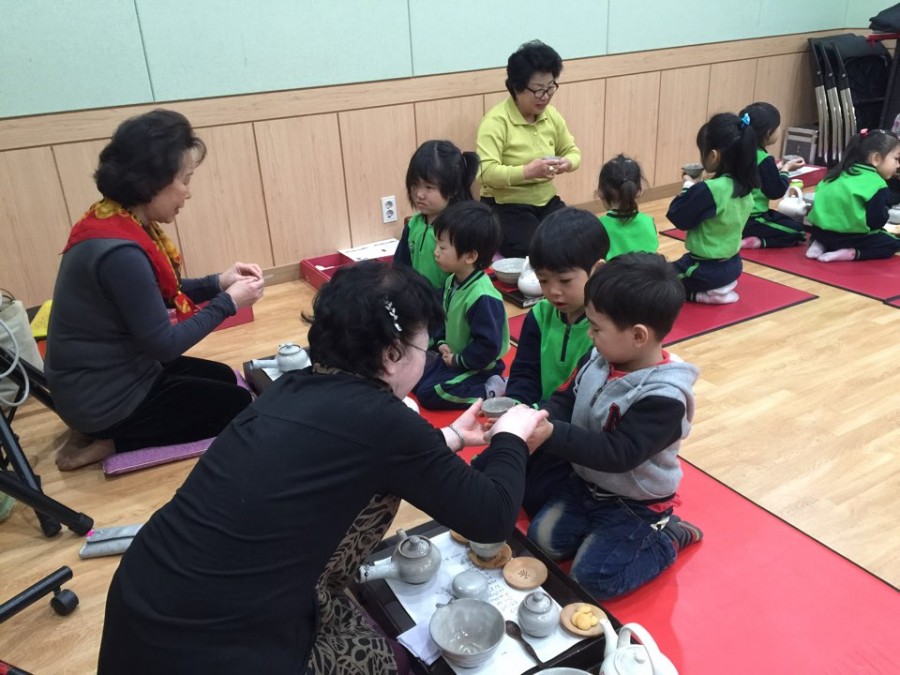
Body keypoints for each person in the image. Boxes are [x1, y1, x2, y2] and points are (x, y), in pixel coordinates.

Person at [97, 260, 551, 674]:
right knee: (388, 663)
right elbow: (492, 516)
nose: (426, 358)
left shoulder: (291, 386)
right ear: (392, 354)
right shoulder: (383, 421)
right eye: (424, 347)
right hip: (217, 648)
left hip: (144, 600)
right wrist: (511, 436)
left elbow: (369, 453)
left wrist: (450, 436)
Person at [45, 109, 265, 471]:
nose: (188, 193)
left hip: (102, 380)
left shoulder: (113, 220)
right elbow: (164, 344)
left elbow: (160, 293)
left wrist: (218, 282)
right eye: (185, 180)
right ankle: (111, 441)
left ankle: (96, 430)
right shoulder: (121, 253)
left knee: (226, 379)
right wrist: (228, 302)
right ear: (153, 182)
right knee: (235, 406)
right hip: (104, 398)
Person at [527, 252, 702, 600]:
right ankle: (601, 533)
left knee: (591, 581)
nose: (589, 335)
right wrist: (539, 418)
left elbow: (618, 454)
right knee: (541, 542)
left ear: (638, 336)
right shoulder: (599, 357)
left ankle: (667, 537)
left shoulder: (665, 397)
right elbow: (565, 398)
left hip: (634, 503)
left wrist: (553, 434)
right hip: (585, 485)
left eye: (596, 328)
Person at [501, 208, 610, 517]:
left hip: (579, 435)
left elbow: (587, 399)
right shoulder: (540, 314)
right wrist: (516, 408)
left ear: (596, 271)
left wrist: (537, 421)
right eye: (543, 280)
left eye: (564, 280)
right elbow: (525, 372)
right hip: (541, 420)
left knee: (535, 495)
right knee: (490, 467)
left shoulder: (606, 330)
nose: (552, 291)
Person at [477, 40, 581, 257]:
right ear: (517, 87)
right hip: (506, 205)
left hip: (546, 201)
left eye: (550, 88)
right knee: (534, 250)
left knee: (576, 240)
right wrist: (527, 172)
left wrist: (567, 163)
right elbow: (485, 173)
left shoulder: (551, 116)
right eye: (538, 90)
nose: (545, 96)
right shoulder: (496, 121)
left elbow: (572, 151)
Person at [413, 201, 509, 409]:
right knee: (413, 376)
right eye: (437, 244)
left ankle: (491, 389)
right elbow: (442, 319)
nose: (436, 252)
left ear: (470, 256)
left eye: (443, 247)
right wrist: (441, 343)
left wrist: (458, 360)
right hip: (452, 357)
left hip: (478, 366)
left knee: (430, 393)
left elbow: (488, 346)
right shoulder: (452, 281)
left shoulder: (482, 296)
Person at [666, 112, 759, 304]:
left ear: (714, 155)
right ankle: (719, 287)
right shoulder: (746, 188)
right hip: (733, 265)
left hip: (704, 269)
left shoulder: (711, 190)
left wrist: (688, 187)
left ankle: (705, 294)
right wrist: (697, 188)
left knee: (654, 280)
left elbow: (678, 216)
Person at [393, 140, 479, 293]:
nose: (419, 194)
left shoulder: (458, 230)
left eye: (429, 187)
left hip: (446, 301)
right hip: (417, 298)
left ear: (452, 189)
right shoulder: (413, 224)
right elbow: (400, 267)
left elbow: (464, 280)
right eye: (415, 185)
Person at [806, 128, 900, 262]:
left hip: (819, 233)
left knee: (830, 234)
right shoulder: (876, 184)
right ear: (876, 158)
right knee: (892, 242)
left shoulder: (836, 173)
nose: (898, 165)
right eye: (896, 158)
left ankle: (819, 245)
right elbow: (876, 222)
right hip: (849, 239)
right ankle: (851, 253)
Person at [738, 102, 807, 249]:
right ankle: (757, 241)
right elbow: (776, 191)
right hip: (751, 219)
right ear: (769, 133)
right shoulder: (764, 159)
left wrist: (775, 169)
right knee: (798, 231)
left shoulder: (734, 150)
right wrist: (786, 169)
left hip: (729, 215)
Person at [596, 154, 659, 259]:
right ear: (639, 191)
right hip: (648, 270)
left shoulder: (598, 226)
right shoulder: (649, 222)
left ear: (600, 192)